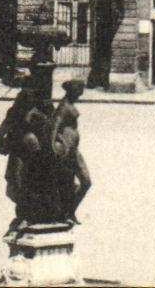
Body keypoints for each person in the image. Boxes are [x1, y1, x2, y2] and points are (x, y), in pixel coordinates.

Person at [52, 79, 92, 222]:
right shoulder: (64, 106)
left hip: (73, 150)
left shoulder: (69, 104)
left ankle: (69, 211)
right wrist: (54, 146)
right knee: (71, 183)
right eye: (78, 92)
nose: (79, 95)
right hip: (66, 152)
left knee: (86, 181)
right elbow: (54, 126)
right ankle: (67, 213)